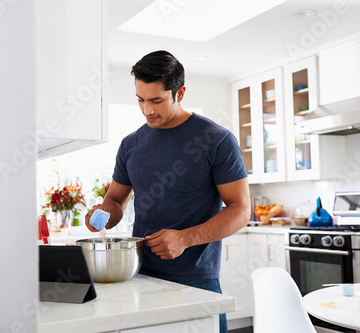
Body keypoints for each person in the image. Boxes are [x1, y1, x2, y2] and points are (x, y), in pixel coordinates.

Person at [85, 50, 250, 333]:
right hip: (141, 276)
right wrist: (102, 214)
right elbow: (115, 199)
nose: (147, 109)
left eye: (156, 100)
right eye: (140, 100)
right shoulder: (131, 145)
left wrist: (186, 238)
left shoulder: (217, 140)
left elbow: (241, 209)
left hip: (196, 278)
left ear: (180, 92)